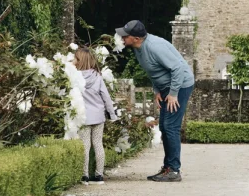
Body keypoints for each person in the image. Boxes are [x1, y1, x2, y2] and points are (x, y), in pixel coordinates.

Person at [116, 20, 194, 183]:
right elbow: (154, 70)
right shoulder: (138, 48)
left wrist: (173, 93)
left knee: (171, 127)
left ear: (136, 38)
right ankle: (168, 167)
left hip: (180, 85)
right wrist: (157, 90)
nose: (122, 38)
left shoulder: (154, 47)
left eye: (125, 35)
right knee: (165, 126)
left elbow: (178, 68)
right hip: (166, 87)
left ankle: (174, 170)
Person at [74, 47, 117, 185]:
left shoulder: (74, 77)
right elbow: (106, 96)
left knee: (85, 146)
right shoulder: (98, 76)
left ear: (79, 60)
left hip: (83, 116)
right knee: (98, 144)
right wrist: (112, 114)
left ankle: (84, 175)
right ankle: (99, 175)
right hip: (98, 116)